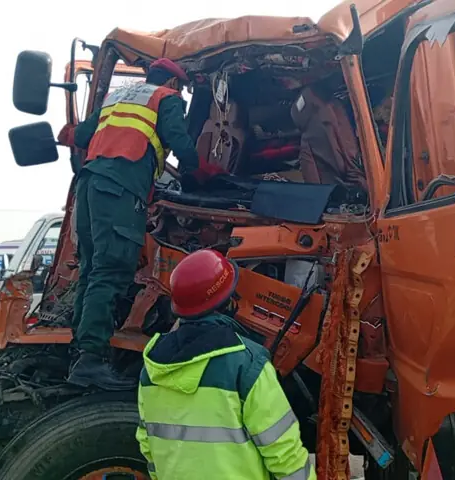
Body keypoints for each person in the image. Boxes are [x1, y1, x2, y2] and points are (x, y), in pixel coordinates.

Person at [57, 58, 204, 391]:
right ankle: (91, 361)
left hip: (90, 185)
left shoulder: (117, 98)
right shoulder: (167, 99)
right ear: (173, 82)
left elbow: (80, 135)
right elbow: (180, 142)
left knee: (93, 269)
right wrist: (199, 172)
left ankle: (80, 353)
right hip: (120, 188)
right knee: (111, 271)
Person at [136, 249, 315, 480]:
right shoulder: (246, 363)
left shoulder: (151, 368)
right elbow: (283, 451)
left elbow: (148, 446)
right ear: (228, 301)